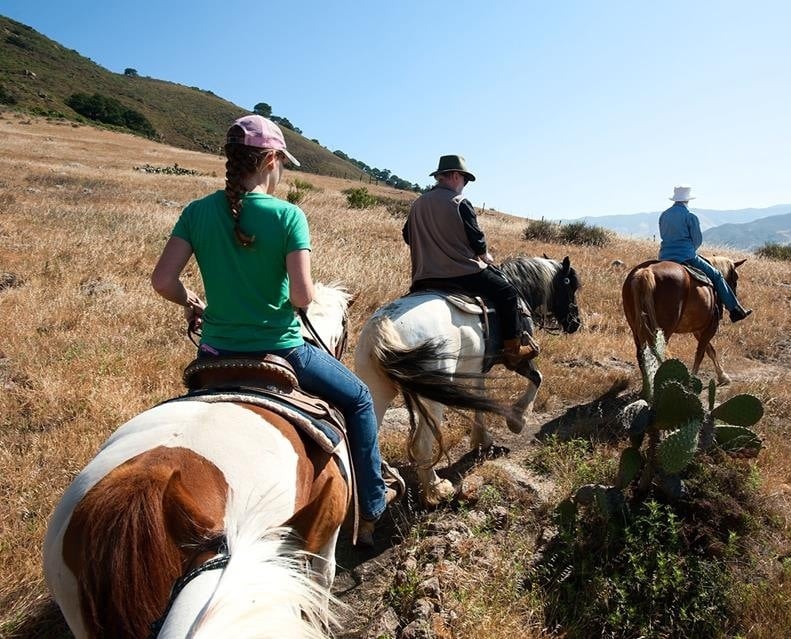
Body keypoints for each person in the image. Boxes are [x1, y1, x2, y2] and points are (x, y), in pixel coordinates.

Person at [151, 114, 400, 546]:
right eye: (281, 162)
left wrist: (194, 302)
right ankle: (374, 505)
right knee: (359, 399)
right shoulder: (288, 216)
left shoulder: (197, 212)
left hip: (214, 354)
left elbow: (162, 281)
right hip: (282, 350)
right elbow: (303, 298)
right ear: (269, 159)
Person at [402, 154, 539, 369]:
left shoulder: (418, 203)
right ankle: (513, 351)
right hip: (463, 274)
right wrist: (485, 255)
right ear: (456, 176)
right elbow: (476, 238)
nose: (465, 186)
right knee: (508, 293)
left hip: (423, 277)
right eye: (465, 180)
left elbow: (407, 236)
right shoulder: (459, 203)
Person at [658, 185, 753, 322]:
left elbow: (663, 235)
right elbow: (697, 240)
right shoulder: (690, 216)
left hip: (664, 257)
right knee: (717, 275)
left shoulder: (664, 215)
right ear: (687, 200)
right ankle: (735, 310)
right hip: (686, 256)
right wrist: (690, 249)